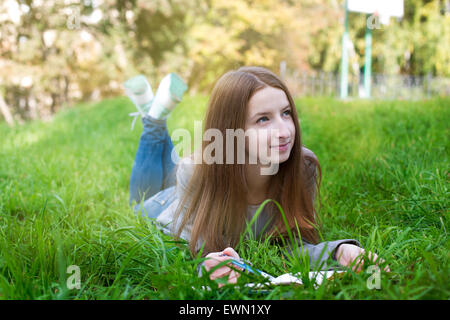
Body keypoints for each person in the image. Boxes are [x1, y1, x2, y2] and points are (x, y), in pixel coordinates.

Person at [126, 66, 389, 286]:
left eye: (286, 113)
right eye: (263, 119)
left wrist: (340, 250)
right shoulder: (195, 170)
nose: (285, 131)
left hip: (191, 180)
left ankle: (155, 114)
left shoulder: (301, 167)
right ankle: (154, 119)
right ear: (232, 130)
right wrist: (206, 263)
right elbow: (192, 249)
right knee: (139, 200)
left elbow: (291, 244)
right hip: (165, 205)